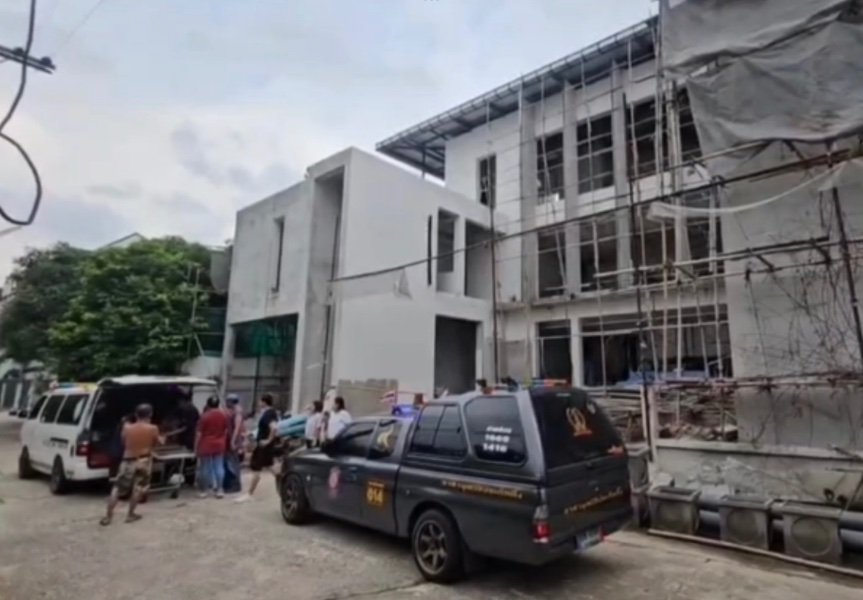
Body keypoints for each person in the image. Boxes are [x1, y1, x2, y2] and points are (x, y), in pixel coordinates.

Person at [100, 403, 163, 526]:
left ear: (136, 414)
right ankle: (130, 515)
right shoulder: (153, 428)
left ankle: (108, 516)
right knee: (138, 488)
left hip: (127, 460)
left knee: (117, 488)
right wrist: (161, 439)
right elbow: (156, 444)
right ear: (150, 414)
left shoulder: (127, 428)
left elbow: (124, 442)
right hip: (144, 460)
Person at [235, 393, 279, 502]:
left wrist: (268, 440)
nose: (259, 403)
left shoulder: (269, 414)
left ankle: (249, 494)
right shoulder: (269, 413)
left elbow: (274, 428)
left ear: (264, 402)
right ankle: (285, 484)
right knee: (270, 466)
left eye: (260, 401)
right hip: (265, 445)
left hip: (263, 446)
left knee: (256, 468)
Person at [196, 396, 230, 498]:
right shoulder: (224, 415)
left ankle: (204, 491)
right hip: (219, 444)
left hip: (206, 444)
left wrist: (195, 446)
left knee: (205, 467)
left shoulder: (204, 416)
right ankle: (220, 490)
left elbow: (199, 434)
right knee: (219, 466)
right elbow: (226, 430)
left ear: (208, 404)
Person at [223, 394, 245, 494]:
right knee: (230, 462)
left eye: (228, 401)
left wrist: (233, 441)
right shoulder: (234, 411)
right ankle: (231, 483)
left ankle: (235, 484)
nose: (226, 403)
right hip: (233, 440)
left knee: (233, 463)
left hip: (234, 441)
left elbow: (237, 428)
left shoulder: (237, 412)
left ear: (232, 402)